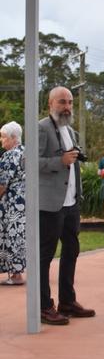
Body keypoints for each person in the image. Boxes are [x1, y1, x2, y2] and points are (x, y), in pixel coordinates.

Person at [38, 87, 95, 326]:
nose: (67, 106)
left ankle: (67, 302)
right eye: (62, 102)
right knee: (45, 255)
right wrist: (59, 161)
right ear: (51, 103)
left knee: (71, 251)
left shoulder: (70, 130)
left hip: (71, 203)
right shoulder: (41, 128)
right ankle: (43, 306)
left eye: (70, 102)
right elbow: (29, 160)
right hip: (50, 204)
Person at [0, 121, 26, 286]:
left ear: (14, 138)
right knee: (20, 236)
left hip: (11, 204)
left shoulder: (9, 156)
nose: (2, 141)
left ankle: (16, 275)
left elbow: (2, 184)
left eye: (3, 137)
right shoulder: (26, 152)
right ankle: (17, 273)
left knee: (11, 236)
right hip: (24, 202)